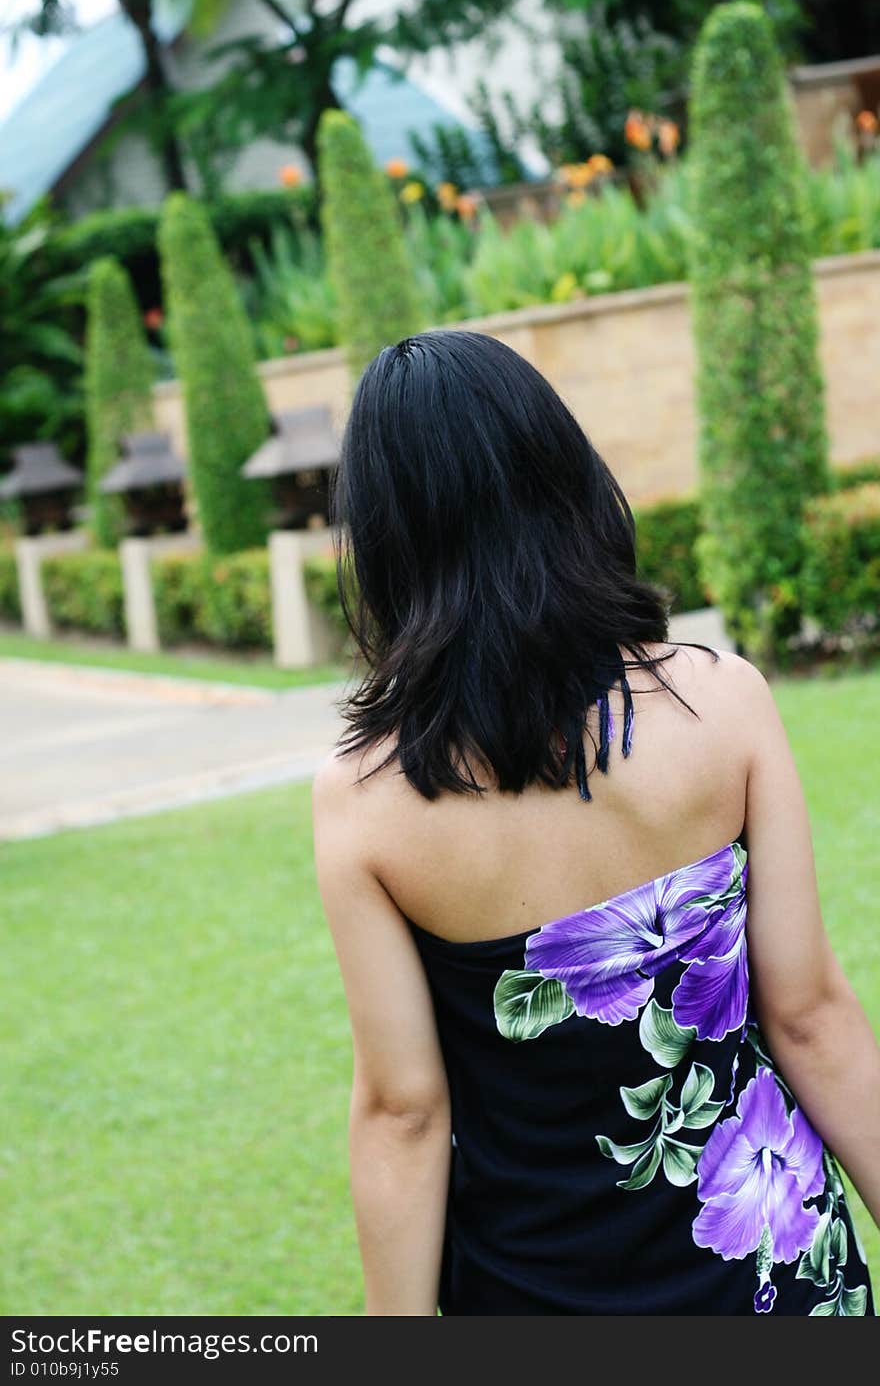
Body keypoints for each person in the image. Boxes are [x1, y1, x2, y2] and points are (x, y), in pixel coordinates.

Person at [311, 329, 878, 1316]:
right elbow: (810, 1016)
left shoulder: (366, 800)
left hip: (534, 1297)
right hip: (773, 1276)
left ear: (388, 536)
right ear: (563, 477)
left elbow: (403, 1111)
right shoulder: (720, 705)